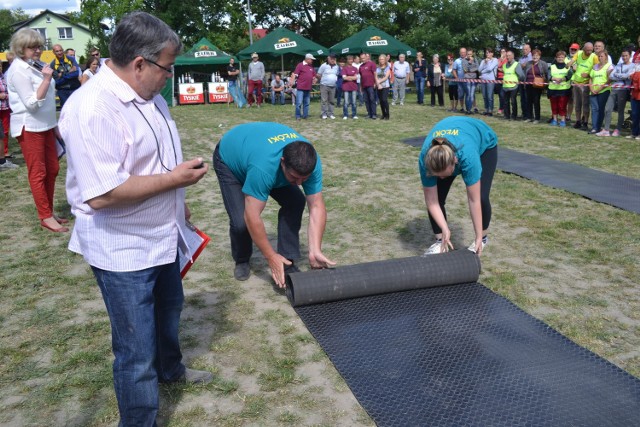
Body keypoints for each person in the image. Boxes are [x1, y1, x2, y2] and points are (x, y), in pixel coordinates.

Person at [59, 12, 212, 425]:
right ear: (140, 63)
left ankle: (172, 371)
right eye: (167, 66)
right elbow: (104, 193)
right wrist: (174, 179)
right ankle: (140, 419)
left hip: (162, 235)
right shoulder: (91, 108)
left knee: (169, 312)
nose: (171, 75)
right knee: (135, 349)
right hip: (123, 248)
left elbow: (154, 160)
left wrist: (177, 199)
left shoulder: (151, 96)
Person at [213, 122, 335, 285]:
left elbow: (317, 206)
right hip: (231, 160)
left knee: (296, 201)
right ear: (282, 162)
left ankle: (287, 260)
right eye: (294, 177)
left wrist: (315, 249)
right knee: (241, 222)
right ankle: (242, 259)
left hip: (256, 153)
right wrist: (270, 256)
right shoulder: (263, 168)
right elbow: (252, 216)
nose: (299, 183)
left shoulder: (311, 163)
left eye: (304, 179)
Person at [7, 28, 66, 228]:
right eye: (33, 47)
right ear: (21, 48)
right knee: (38, 172)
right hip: (30, 127)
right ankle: (45, 216)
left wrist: (54, 125)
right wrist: (47, 79)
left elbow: (48, 100)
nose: (38, 50)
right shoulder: (17, 71)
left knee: (53, 168)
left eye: (39, 46)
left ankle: (49, 211)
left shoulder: (34, 65)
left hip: (46, 125)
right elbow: (32, 103)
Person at [420, 116, 498, 256]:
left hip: (484, 143)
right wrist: (445, 228)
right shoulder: (426, 159)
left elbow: (473, 201)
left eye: (444, 175)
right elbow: (432, 201)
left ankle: (484, 238)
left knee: (481, 197)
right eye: (437, 175)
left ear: (455, 162)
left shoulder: (467, 157)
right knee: (438, 196)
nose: (441, 178)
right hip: (454, 138)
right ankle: (440, 241)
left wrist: (478, 236)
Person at [601, 48, 633, 137]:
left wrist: (618, 75)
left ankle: (618, 129)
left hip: (623, 90)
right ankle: (606, 129)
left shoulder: (633, 66)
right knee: (607, 109)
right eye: (623, 56)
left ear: (629, 56)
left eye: (626, 55)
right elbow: (611, 76)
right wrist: (622, 76)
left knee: (620, 110)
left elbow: (629, 76)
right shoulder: (618, 65)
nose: (624, 57)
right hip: (614, 88)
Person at [568, 42, 597, 130]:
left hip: (586, 84)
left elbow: (596, 69)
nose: (589, 51)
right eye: (587, 50)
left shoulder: (594, 57)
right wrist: (569, 64)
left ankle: (585, 122)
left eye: (591, 50)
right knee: (577, 104)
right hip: (576, 82)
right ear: (583, 49)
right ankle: (578, 121)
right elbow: (572, 60)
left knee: (585, 104)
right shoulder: (579, 53)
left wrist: (588, 75)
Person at [588, 50, 613, 134]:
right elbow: (590, 78)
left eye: (602, 56)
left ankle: (598, 127)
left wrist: (600, 89)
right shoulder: (594, 66)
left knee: (600, 109)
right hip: (593, 91)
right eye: (599, 56)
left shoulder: (609, 66)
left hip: (604, 91)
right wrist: (591, 88)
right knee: (594, 109)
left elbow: (610, 79)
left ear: (606, 57)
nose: (600, 58)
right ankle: (594, 127)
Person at [547, 50, 574, 127]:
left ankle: (563, 120)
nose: (560, 58)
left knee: (562, 106)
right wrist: (554, 78)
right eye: (558, 57)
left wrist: (562, 79)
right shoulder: (551, 67)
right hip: (553, 89)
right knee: (554, 106)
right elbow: (548, 76)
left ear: (565, 58)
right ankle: (555, 120)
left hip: (564, 90)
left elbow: (570, 75)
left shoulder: (568, 67)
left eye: (562, 57)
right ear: (556, 58)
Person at [523, 49, 549, 123]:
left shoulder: (543, 64)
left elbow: (546, 74)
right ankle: (529, 117)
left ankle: (537, 118)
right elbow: (525, 73)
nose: (535, 57)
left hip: (537, 85)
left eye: (537, 55)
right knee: (528, 101)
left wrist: (545, 83)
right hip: (528, 84)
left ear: (539, 56)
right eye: (534, 55)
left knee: (536, 101)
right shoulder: (528, 63)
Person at [502, 50, 525, 121]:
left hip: (514, 86)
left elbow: (521, 75)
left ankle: (514, 116)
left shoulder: (516, 64)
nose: (508, 57)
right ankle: (506, 115)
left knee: (513, 101)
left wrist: (517, 81)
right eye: (507, 56)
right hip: (505, 86)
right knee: (505, 102)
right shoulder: (504, 65)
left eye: (509, 55)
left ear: (513, 56)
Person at [292, 53, 316, 120]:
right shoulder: (300, 65)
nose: (312, 61)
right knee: (299, 103)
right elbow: (295, 74)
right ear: (307, 59)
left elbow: (314, 76)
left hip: (308, 88)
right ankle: (298, 116)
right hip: (300, 88)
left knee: (307, 103)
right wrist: (291, 82)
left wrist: (314, 79)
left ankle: (305, 115)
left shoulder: (311, 66)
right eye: (311, 59)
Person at [0, 65, 15, 166]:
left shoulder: (3, 76)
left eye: (0, 65)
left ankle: (4, 152)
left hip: (5, 106)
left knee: (5, 131)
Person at [317, 53, 339, 119]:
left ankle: (331, 114)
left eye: (334, 58)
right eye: (331, 58)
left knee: (332, 101)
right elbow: (318, 74)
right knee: (324, 100)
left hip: (333, 86)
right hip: (324, 85)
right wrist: (323, 80)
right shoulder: (323, 66)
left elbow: (337, 75)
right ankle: (324, 114)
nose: (333, 60)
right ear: (328, 58)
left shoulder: (336, 66)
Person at [478, 48, 498, 116]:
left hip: (491, 80)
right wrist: (484, 63)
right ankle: (486, 109)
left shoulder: (495, 60)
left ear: (492, 53)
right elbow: (479, 69)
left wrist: (484, 68)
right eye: (487, 53)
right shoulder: (483, 61)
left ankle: (490, 110)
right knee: (484, 95)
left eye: (489, 52)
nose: (488, 54)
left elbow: (490, 69)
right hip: (483, 80)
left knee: (490, 96)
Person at [359, 52, 378, 119]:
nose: (363, 59)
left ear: (367, 57)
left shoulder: (372, 64)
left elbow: (375, 74)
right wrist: (361, 86)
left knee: (372, 99)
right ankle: (369, 113)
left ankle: (374, 114)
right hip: (364, 86)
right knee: (366, 100)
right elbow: (361, 77)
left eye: (364, 58)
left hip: (371, 85)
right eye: (361, 58)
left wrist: (375, 83)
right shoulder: (361, 67)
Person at [461, 48, 479, 114]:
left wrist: (470, 70)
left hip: (474, 79)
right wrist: (470, 63)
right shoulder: (463, 60)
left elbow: (478, 67)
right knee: (468, 94)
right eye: (468, 54)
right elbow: (465, 69)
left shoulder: (475, 60)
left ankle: (470, 109)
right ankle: (467, 109)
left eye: (470, 54)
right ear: (466, 54)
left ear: (472, 54)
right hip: (467, 79)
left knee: (472, 95)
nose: (469, 55)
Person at [626, 55, 640, 140]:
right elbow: (630, 75)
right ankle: (634, 133)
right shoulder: (636, 65)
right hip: (634, 94)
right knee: (634, 114)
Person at [566, 43, 580, 122]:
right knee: (563, 99)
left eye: (575, 49)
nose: (573, 51)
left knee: (571, 100)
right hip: (564, 82)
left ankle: (568, 116)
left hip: (574, 82)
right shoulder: (565, 57)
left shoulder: (579, 58)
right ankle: (562, 115)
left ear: (578, 50)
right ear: (569, 49)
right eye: (572, 49)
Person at [341, 54, 358, 119]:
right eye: (349, 59)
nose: (350, 60)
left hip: (354, 87)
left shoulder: (355, 68)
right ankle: (345, 115)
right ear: (347, 60)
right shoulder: (344, 68)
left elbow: (356, 77)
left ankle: (354, 115)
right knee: (346, 102)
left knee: (354, 102)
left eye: (351, 59)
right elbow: (344, 78)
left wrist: (348, 77)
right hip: (346, 87)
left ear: (353, 60)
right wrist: (352, 77)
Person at [518, 44, 532, 120]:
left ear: (530, 49)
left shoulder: (531, 58)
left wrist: (523, 65)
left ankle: (528, 114)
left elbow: (527, 66)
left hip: (528, 80)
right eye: (523, 49)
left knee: (528, 98)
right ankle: (524, 113)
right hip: (521, 80)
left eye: (526, 49)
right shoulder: (521, 58)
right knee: (522, 98)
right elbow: (519, 66)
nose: (524, 51)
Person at [376, 54, 391, 120]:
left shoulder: (388, 67)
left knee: (384, 100)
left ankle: (387, 115)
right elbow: (375, 76)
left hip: (385, 86)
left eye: (382, 59)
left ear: (385, 60)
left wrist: (379, 81)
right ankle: (383, 114)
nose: (381, 60)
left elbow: (386, 77)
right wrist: (377, 83)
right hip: (378, 86)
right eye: (380, 59)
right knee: (381, 101)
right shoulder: (377, 68)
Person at [495, 48, 507, 114]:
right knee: (500, 94)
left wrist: (500, 69)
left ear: (506, 52)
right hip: (498, 78)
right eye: (501, 51)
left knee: (503, 94)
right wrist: (500, 61)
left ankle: (503, 108)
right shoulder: (498, 60)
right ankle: (501, 108)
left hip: (504, 78)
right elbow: (497, 66)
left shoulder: (507, 60)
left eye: (504, 51)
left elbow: (505, 69)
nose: (502, 53)